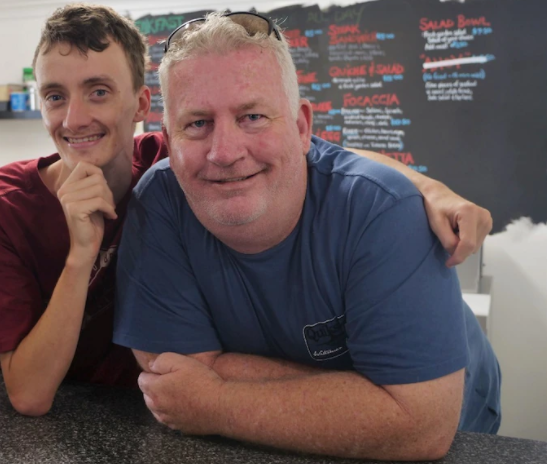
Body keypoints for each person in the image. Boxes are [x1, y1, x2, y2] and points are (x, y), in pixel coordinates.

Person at [0, 4, 491, 417]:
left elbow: (309, 151)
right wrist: (82, 254)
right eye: (55, 96)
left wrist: (426, 186)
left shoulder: (169, 163)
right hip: (101, 412)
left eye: (98, 91)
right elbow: (29, 396)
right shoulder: (3, 208)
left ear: (142, 108)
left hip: (155, 405)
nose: (75, 117)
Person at [112, 11, 501, 461]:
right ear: (168, 137)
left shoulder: (383, 209)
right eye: (197, 123)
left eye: (252, 116)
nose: (224, 152)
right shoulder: (160, 202)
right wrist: (357, 399)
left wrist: (217, 401)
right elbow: (174, 374)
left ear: (301, 127)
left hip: (461, 431)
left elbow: (421, 425)